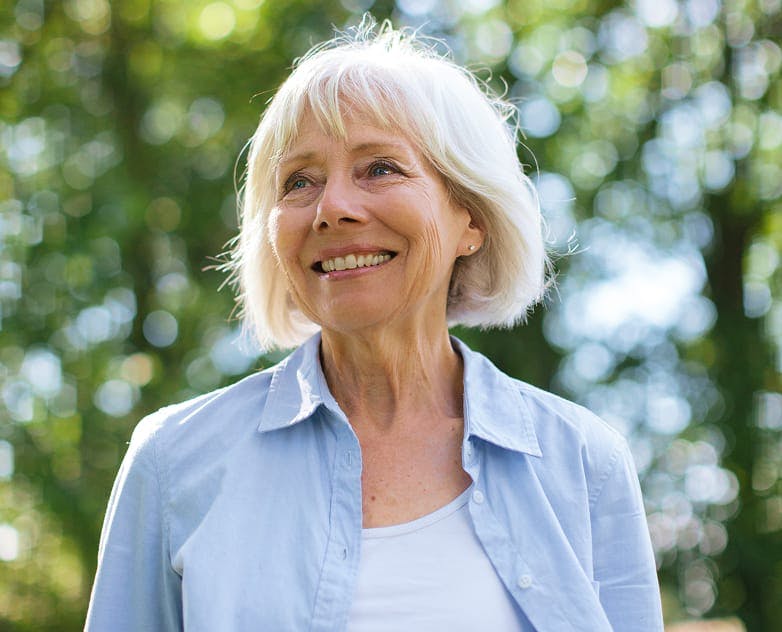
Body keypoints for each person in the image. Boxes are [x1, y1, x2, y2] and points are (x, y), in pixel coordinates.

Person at [85, 17, 663, 632]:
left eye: (380, 168)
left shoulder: (583, 461)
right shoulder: (174, 461)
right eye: (299, 181)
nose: (332, 208)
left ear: (471, 218)